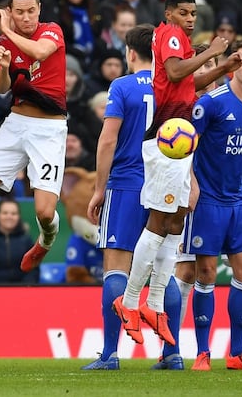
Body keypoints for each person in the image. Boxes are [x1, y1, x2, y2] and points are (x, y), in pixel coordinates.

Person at [112, 0, 241, 357]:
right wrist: (212, 51)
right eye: (183, 12)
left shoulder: (180, 41)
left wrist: (221, 69)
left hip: (179, 137)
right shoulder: (169, 35)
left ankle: (153, 303)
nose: (190, 18)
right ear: (169, 12)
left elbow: (187, 83)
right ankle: (131, 300)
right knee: (160, 220)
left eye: (193, 13)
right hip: (168, 135)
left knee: (176, 219)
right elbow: (173, 71)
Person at [0, 0, 68, 277]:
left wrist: (6, 30)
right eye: (19, 12)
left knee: (45, 213)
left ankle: (45, 242)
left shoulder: (51, 31)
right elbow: (0, 88)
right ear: (9, 10)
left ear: (39, 9)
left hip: (49, 129)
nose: (27, 17)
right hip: (16, 123)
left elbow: (41, 52)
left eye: (31, 11)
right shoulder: (0, 46)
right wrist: (5, 67)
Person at [185, 37, 242, 371]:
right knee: (204, 272)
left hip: (238, 201)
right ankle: (203, 352)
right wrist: (191, 184)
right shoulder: (212, 103)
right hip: (207, 200)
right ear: (233, 63)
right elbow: (187, 148)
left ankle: (238, 352)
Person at [81, 24, 155, 370]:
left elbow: (108, 140)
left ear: (130, 53)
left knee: (116, 267)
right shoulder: (172, 86)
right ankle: (171, 354)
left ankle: (110, 354)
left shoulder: (122, 85)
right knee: (162, 269)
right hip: (163, 188)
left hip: (126, 184)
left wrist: (99, 189)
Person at [0, 199, 38, 284]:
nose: (9, 217)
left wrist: (26, 286)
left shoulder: (26, 239)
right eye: (5, 213)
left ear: (18, 216)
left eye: (14, 213)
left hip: (21, 290)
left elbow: (33, 269)